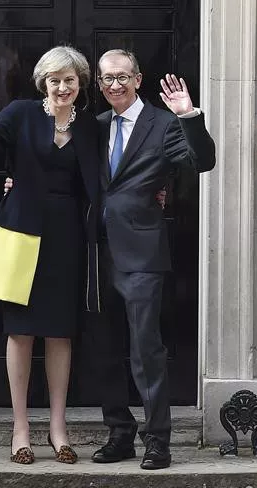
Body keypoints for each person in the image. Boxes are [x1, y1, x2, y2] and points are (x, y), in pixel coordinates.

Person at [0, 46, 101, 465]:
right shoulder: (21, 113)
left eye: (70, 80)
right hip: (20, 230)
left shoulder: (90, 127)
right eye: (55, 80)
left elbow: (103, 181)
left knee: (60, 332)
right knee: (20, 332)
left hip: (66, 237)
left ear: (80, 84)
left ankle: (58, 429)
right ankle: (20, 428)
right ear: (44, 82)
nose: (62, 87)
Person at [90, 49, 216, 470]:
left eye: (122, 77)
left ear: (138, 79)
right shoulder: (95, 126)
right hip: (95, 253)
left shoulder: (163, 124)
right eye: (107, 78)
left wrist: (188, 115)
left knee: (146, 349)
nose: (115, 85)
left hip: (142, 255)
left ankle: (158, 439)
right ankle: (119, 434)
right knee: (105, 349)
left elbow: (203, 161)